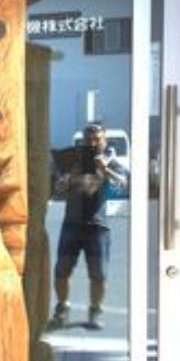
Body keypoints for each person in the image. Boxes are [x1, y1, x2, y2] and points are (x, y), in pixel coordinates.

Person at [49, 124, 129, 330]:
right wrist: (71, 177)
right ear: (82, 142)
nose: (92, 143)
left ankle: (96, 311)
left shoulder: (110, 162)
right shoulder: (71, 162)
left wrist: (105, 170)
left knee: (99, 274)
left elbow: (125, 183)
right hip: (72, 224)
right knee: (62, 270)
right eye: (88, 140)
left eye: (97, 139)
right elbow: (57, 188)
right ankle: (62, 309)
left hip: (98, 227)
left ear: (104, 141)